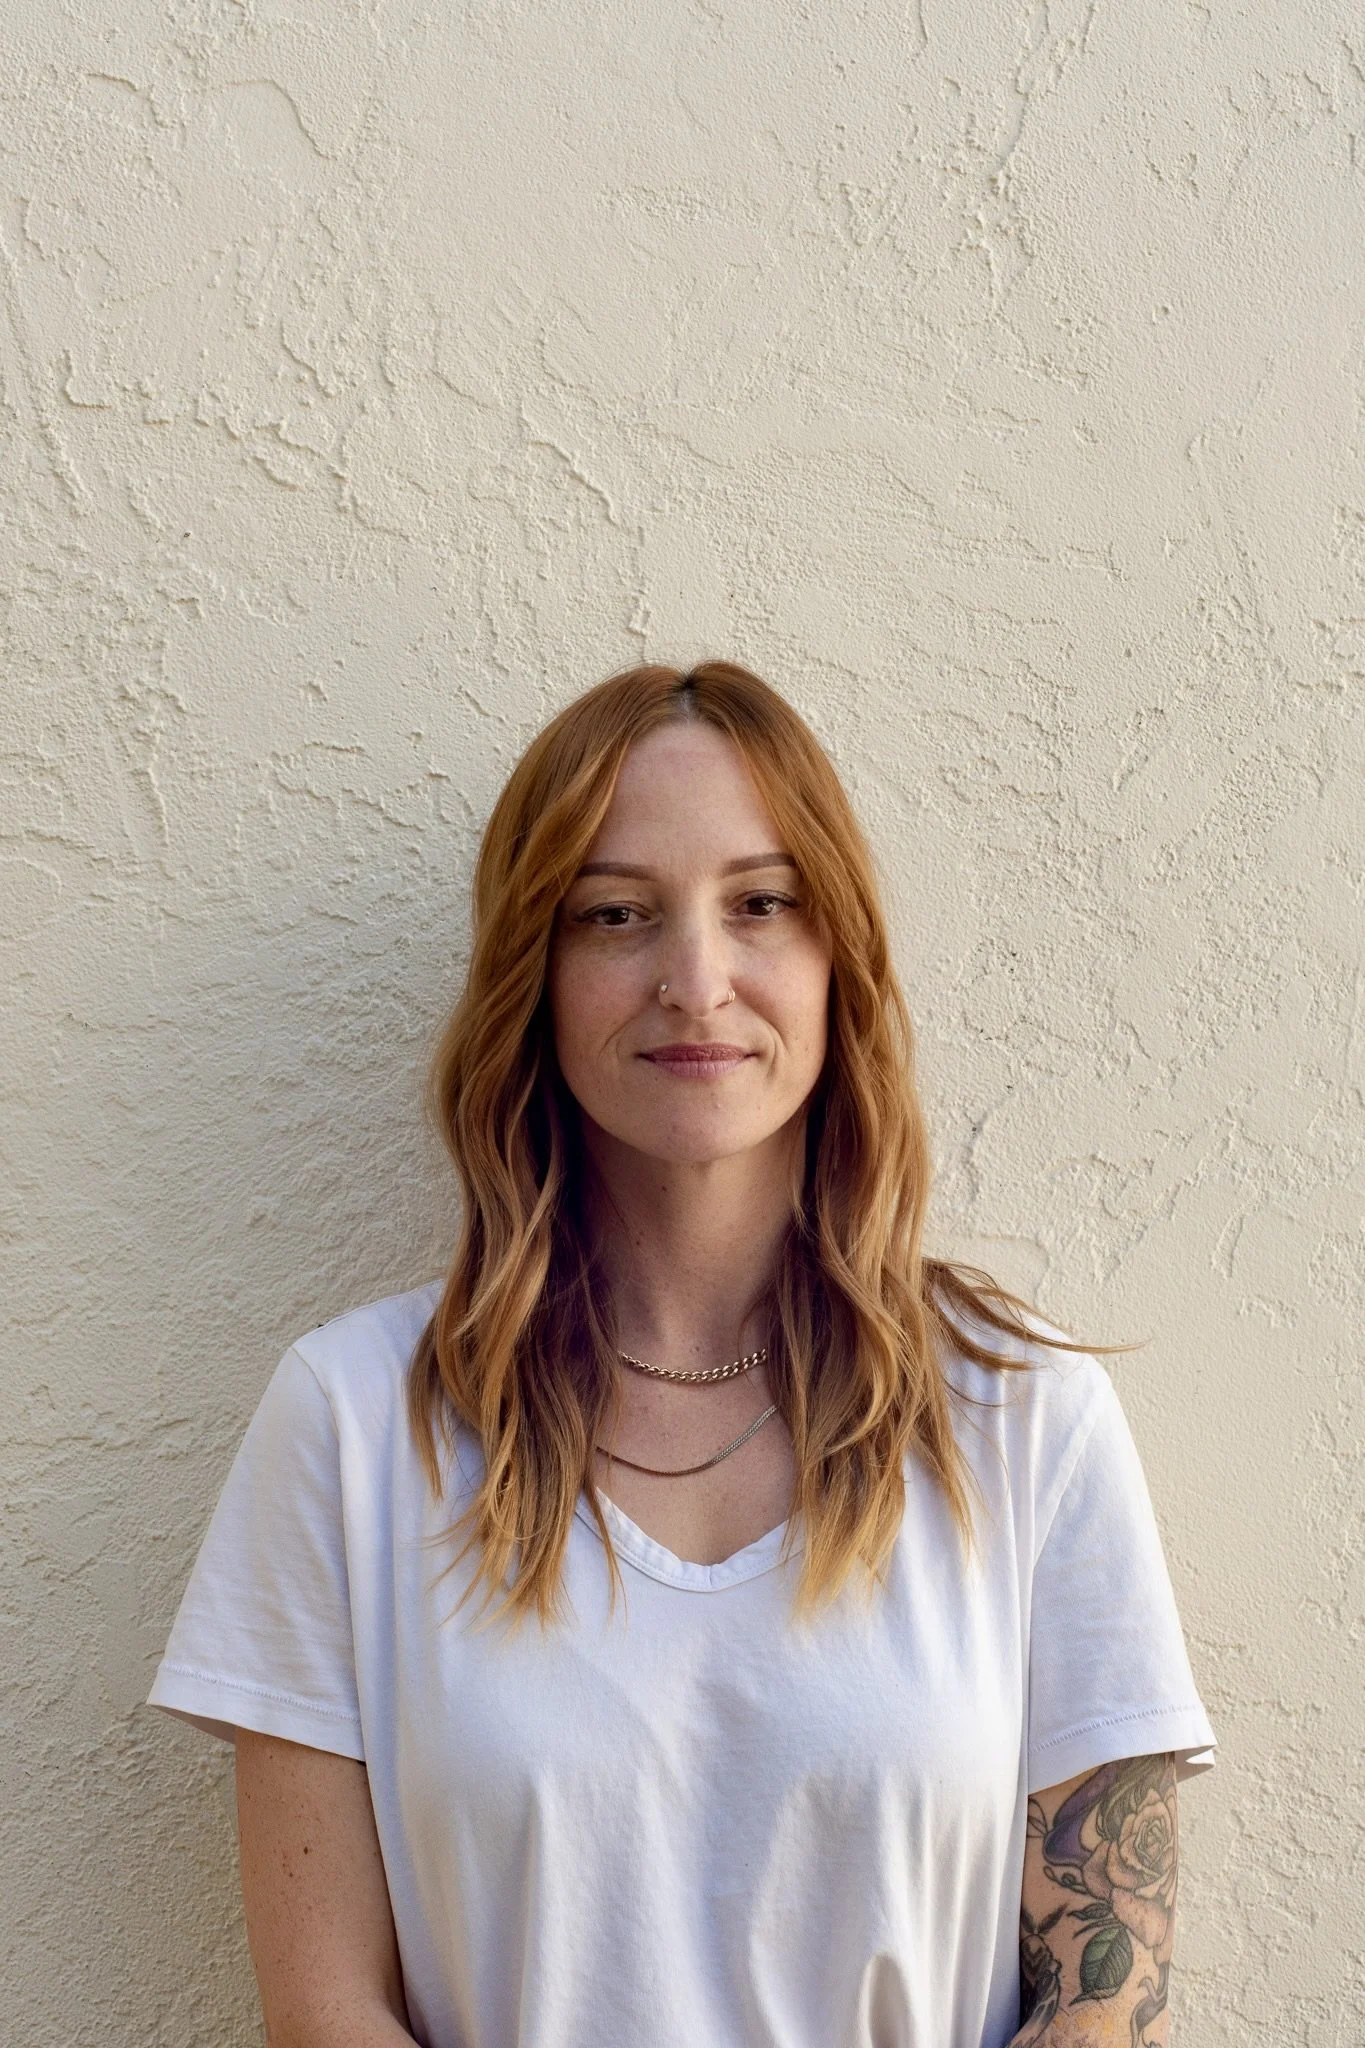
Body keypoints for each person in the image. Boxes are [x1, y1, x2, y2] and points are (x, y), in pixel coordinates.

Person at [148, 659, 1217, 2048]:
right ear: (536, 975)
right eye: (615, 915)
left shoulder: (1024, 1416)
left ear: (839, 960)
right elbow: (328, 2011)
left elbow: (1105, 2009)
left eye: (761, 905)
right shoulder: (353, 1426)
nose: (695, 980)